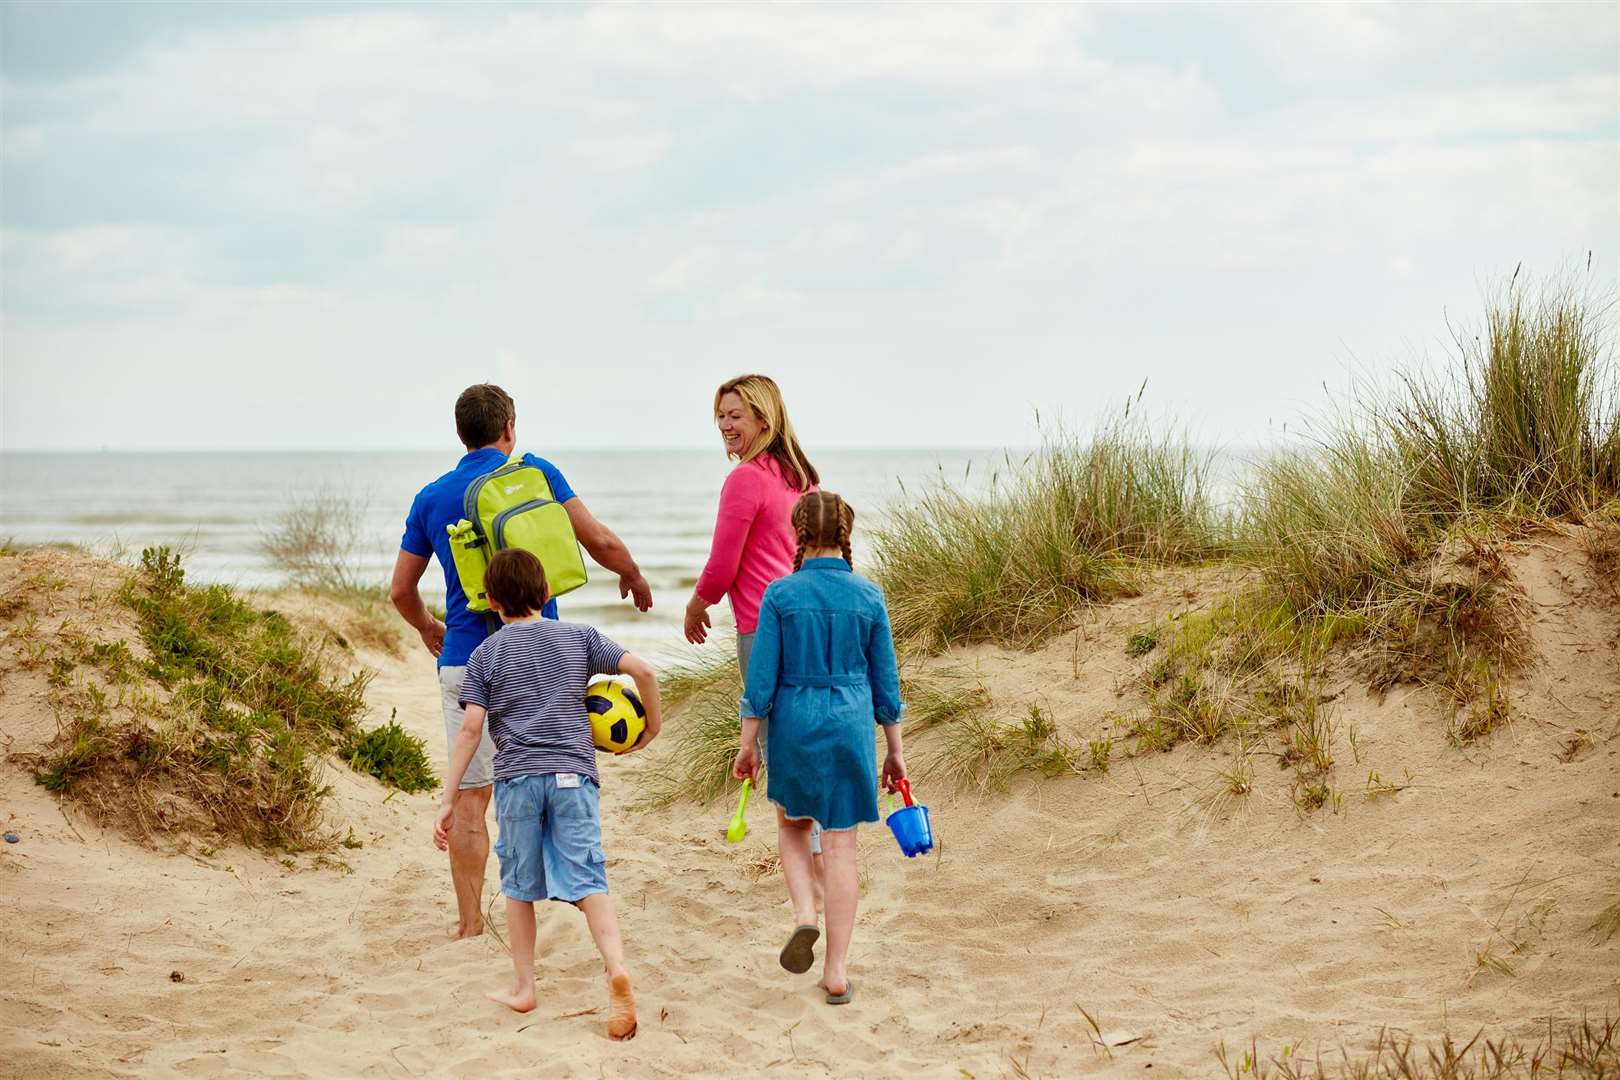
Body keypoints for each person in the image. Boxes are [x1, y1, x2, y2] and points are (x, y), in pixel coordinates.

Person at [393, 383, 653, 939]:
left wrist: (426, 627)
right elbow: (598, 540)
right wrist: (630, 574)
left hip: (468, 659)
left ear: (460, 434)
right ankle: (578, 896)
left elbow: (401, 590)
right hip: (545, 657)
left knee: (472, 799)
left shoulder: (431, 497)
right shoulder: (537, 475)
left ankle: (469, 924)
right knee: (557, 775)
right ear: (509, 427)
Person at [432, 547, 661, 1040]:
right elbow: (641, 670)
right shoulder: (579, 637)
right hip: (574, 779)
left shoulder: (485, 655)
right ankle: (615, 966)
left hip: (516, 782)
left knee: (518, 885)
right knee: (589, 876)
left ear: (491, 601)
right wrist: (652, 727)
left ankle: (523, 986)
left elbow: (472, 730)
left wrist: (448, 798)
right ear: (547, 592)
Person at [730, 491, 905, 1006]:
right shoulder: (870, 596)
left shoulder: (780, 596)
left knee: (792, 826)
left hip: (796, 721)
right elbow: (886, 685)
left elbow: (760, 682)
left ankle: (805, 913)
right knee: (842, 847)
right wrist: (894, 751)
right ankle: (836, 971)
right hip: (850, 720)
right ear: (847, 536)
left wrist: (748, 745)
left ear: (798, 535)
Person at [683, 374, 827, 894]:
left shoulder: (746, 479)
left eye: (736, 415)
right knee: (802, 744)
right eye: (720, 416)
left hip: (765, 630)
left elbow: (724, 565)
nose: (725, 426)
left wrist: (697, 603)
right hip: (810, 625)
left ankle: (808, 868)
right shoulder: (802, 478)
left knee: (778, 750)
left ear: (764, 419)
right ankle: (818, 858)